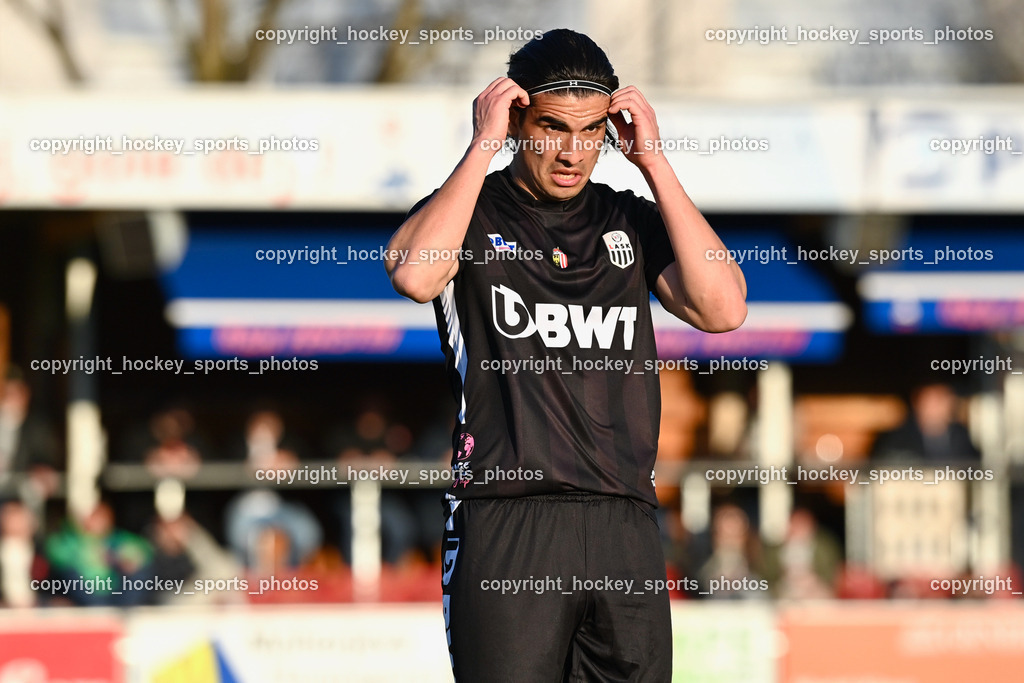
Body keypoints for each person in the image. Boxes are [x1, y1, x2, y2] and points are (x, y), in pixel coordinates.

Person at [385, 29, 746, 681]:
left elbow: (723, 309)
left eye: (590, 131)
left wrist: (656, 163)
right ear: (517, 116)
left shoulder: (629, 217)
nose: (573, 151)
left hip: (624, 519)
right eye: (553, 127)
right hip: (508, 518)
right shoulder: (468, 211)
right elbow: (414, 274)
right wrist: (482, 146)